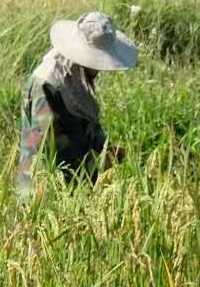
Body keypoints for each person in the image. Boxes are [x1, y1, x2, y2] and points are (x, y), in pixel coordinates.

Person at [16, 11, 138, 198]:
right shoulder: (48, 88)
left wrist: (104, 146)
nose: (98, 68)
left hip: (76, 183)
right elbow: (50, 155)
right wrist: (97, 164)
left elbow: (84, 122)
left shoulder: (77, 75)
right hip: (47, 192)